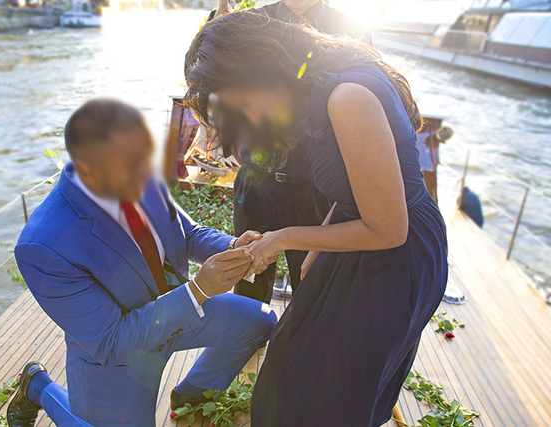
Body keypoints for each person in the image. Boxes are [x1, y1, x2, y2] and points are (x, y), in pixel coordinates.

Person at [184, 12, 448, 426]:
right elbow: (354, 187)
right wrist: (320, 242)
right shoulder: (319, 83)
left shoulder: (347, 97)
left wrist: (283, 238)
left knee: (327, 398)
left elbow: (389, 227)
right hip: (362, 234)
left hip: (398, 254)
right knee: (291, 375)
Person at [8, 99, 277, 427]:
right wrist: (198, 290)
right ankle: (38, 386)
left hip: (179, 309)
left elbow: (186, 234)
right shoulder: (41, 246)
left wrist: (234, 247)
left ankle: (192, 394)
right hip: (121, 354)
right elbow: (111, 342)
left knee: (261, 321)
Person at [204, 0, 372, 303]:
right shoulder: (247, 23)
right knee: (249, 282)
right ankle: (248, 345)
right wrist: (220, 13)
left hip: (317, 188)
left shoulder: (353, 32)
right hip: (255, 182)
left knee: (312, 289)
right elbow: (207, 64)